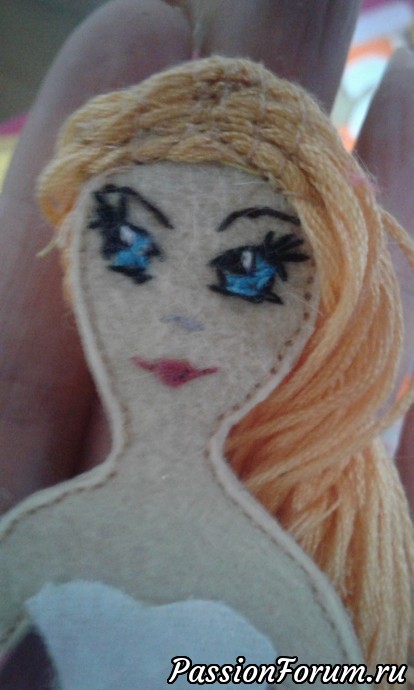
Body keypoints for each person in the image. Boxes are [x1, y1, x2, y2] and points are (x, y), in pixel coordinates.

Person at [1, 1, 414, 686]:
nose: (179, 317)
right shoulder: (33, 543)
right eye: (130, 250)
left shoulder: (288, 597)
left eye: (249, 272)